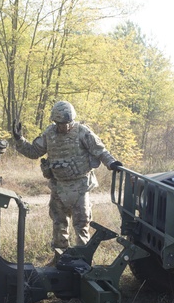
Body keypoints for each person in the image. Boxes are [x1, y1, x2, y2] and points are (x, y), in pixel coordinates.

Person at [11, 100, 122, 252]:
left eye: (66, 122)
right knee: (59, 224)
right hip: (58, 186)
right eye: (59, 123)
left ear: (72, 120)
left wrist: (112, 163)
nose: (63, 126)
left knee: (82, 225)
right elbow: (34, 152)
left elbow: (100, 151)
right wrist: (19, 140)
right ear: (55, 121)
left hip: (79, 186)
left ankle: (82, 262)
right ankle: (59, 259)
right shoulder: (49, 133)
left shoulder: (82, 131)